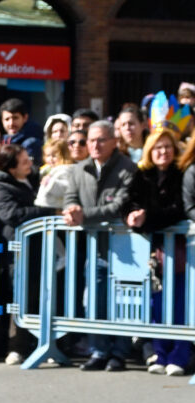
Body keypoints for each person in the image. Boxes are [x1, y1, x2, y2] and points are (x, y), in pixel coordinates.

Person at [63, 120, 135, 371]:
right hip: (93, 247)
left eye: (101, 139)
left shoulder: (127, 168)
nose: (94, 144)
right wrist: (71, 210)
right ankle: (98, 350)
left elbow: (120, 206)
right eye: (90, 140)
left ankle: (119, 352)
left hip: (124, 248)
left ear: (114, 142)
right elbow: (70, 197)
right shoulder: (79, 169)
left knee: (122, 301)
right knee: (94, 301)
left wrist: (86, 215)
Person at [124, 127, 189, 375]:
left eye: (168, 147)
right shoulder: (142, 175)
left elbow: (179, 209)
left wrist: (147, 219)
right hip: (152, 252)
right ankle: (159, 354)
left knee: (181, 304)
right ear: (150, 150)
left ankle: (180, 356)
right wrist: (132, 215)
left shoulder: (181, 174)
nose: (163, 151)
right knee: (157, 305)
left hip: (180, 250)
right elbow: (128, 202)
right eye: (158, 147)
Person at [0, 143, 55, 364]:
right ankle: (16, 346)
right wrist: (49, 212)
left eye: (29, 159)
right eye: (24, 162)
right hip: (17, 249)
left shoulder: (33, 178)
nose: (30, 164)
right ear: (11, 168)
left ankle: (42, 343)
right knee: (19, 298)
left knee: (38, 296)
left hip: (41, 247)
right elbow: (12, 214)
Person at [0, 98, 44, 165]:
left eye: (15, 118)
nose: (11, 123)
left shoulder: (31, 143)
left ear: (25, 118)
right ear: (2, 121)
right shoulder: (0, 141)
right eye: (7, 119)